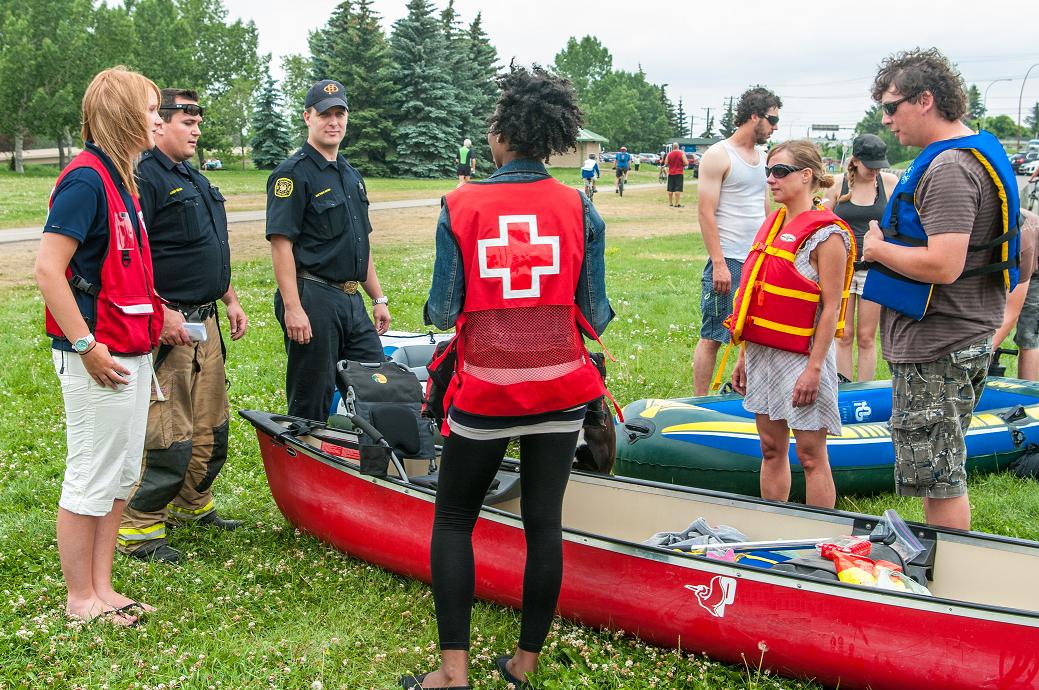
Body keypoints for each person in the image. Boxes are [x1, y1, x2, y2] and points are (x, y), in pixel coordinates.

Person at [405, 65, 612, 690]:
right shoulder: (581, 206)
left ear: (501, 134)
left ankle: (453, 673)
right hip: (562, 389)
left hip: (487, 389)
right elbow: (595, 312)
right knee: (544, 524)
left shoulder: (461, 204)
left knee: (453, 521)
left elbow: (442, 312)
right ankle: (524, 664)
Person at [861, 48, 1020, 530]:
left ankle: (948, 588)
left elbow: (944, 264)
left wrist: (877, 249)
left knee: (937, 476)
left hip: (940, 343)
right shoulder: (972, 154)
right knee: (941, 466)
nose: (887, 121)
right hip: (960, 336)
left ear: (925, 99)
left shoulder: (949, 168)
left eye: (892, 107)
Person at [34, 66, 164, 626]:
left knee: (119, 475)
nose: (158, 118)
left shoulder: (122, 178)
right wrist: (85, 345)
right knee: (90, 475)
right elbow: (47, 269)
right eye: (150, 108)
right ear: (123, 115)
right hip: (97, 356)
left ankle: (103, 587)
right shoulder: (86, 180)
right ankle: (79, 599)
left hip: (129, 352)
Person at [116, 88, 249, 563]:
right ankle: (139, 527)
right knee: (167, 432)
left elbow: (209, 246)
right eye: (185, 122)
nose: (195, 130)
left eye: (198, 122)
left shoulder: (191, 177)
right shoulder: (143, 178)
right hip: (169, 327)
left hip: (205, 321)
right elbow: (132, 257)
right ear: (159, 125)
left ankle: (191, 503)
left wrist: (229, 298)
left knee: (211, 425)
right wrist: (160, 311)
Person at [730, 141, 853, 508]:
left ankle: (820, 540)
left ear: (806, 175)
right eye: (768, 171)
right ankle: (774, 523)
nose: (771, 179)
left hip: (803, 358)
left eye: (780, 171)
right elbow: (755, 294)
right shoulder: (772, 224)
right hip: (763, 354)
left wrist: (814, 369)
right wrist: (743, 356)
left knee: (812, 456)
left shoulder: (828, 235)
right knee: (770, 449)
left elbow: (831, 308)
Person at [266, 79, 392, 422]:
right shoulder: (292, 175)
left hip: (351, 301)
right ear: (308, 117)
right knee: (312, 399)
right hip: (313, 296)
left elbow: (359, 244)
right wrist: (293, 307)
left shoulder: (350, 176)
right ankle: (302, 465)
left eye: (340, 113)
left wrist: (377, 299)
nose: (333, 121)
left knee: (379, 385)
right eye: (325, 114)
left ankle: (374, 467)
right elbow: (281, 245)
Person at [694, 86, 782, 395]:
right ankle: (699, 403)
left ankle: (747, 396)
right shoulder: (719, 155)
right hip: (729, 259)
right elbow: (706, 212)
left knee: (755, 335)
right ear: (754, 116)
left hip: (758, 259)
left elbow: (764, 207)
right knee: (715, 335)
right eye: (772, 120)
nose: (774, 127)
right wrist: (718, 263)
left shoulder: (761, 157)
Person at [820, 134, 898, 381]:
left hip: (874, 268)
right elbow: (821, 223)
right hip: (842, 269)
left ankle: (864, 391)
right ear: (855, 161)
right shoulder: (837, 185)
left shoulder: (889, 182)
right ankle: (843, 387)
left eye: (879, 166)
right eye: (870, 166)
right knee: (843, 334)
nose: (875, 171)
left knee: (866, 336)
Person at [992, 209, 1039, 378]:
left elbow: (1011, 312)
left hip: (1034, 261)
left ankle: (1029, 395)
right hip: (1013, 247)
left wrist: (980, 355)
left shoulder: (1022, 239)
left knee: (1029, 333)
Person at [664, 143, 688, 207]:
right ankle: (677, 204)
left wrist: (670, 164)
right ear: (678, 147)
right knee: (678, 188)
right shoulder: (681, 153)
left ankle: (670, 203)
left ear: (672, 147)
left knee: (670, 188)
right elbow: (686, 163)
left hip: (671, 173)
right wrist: (682, 164)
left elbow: (666, 163)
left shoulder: (669, 154)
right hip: (679, 173)